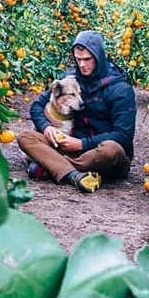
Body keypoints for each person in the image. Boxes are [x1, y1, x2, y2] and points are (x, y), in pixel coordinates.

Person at [18, 31, 136, 193]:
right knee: (25, 137)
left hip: (102, 154)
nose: (82, 65)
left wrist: (82, 144)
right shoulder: (71, 79)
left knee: (111, 150)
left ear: (99, 57)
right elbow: (37, 106)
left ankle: (52, 166)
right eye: (78, 59)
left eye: (87, 59)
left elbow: (123, 135)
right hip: (72, 147)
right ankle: (74, 175)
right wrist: (47, 127)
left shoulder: (120, 89)